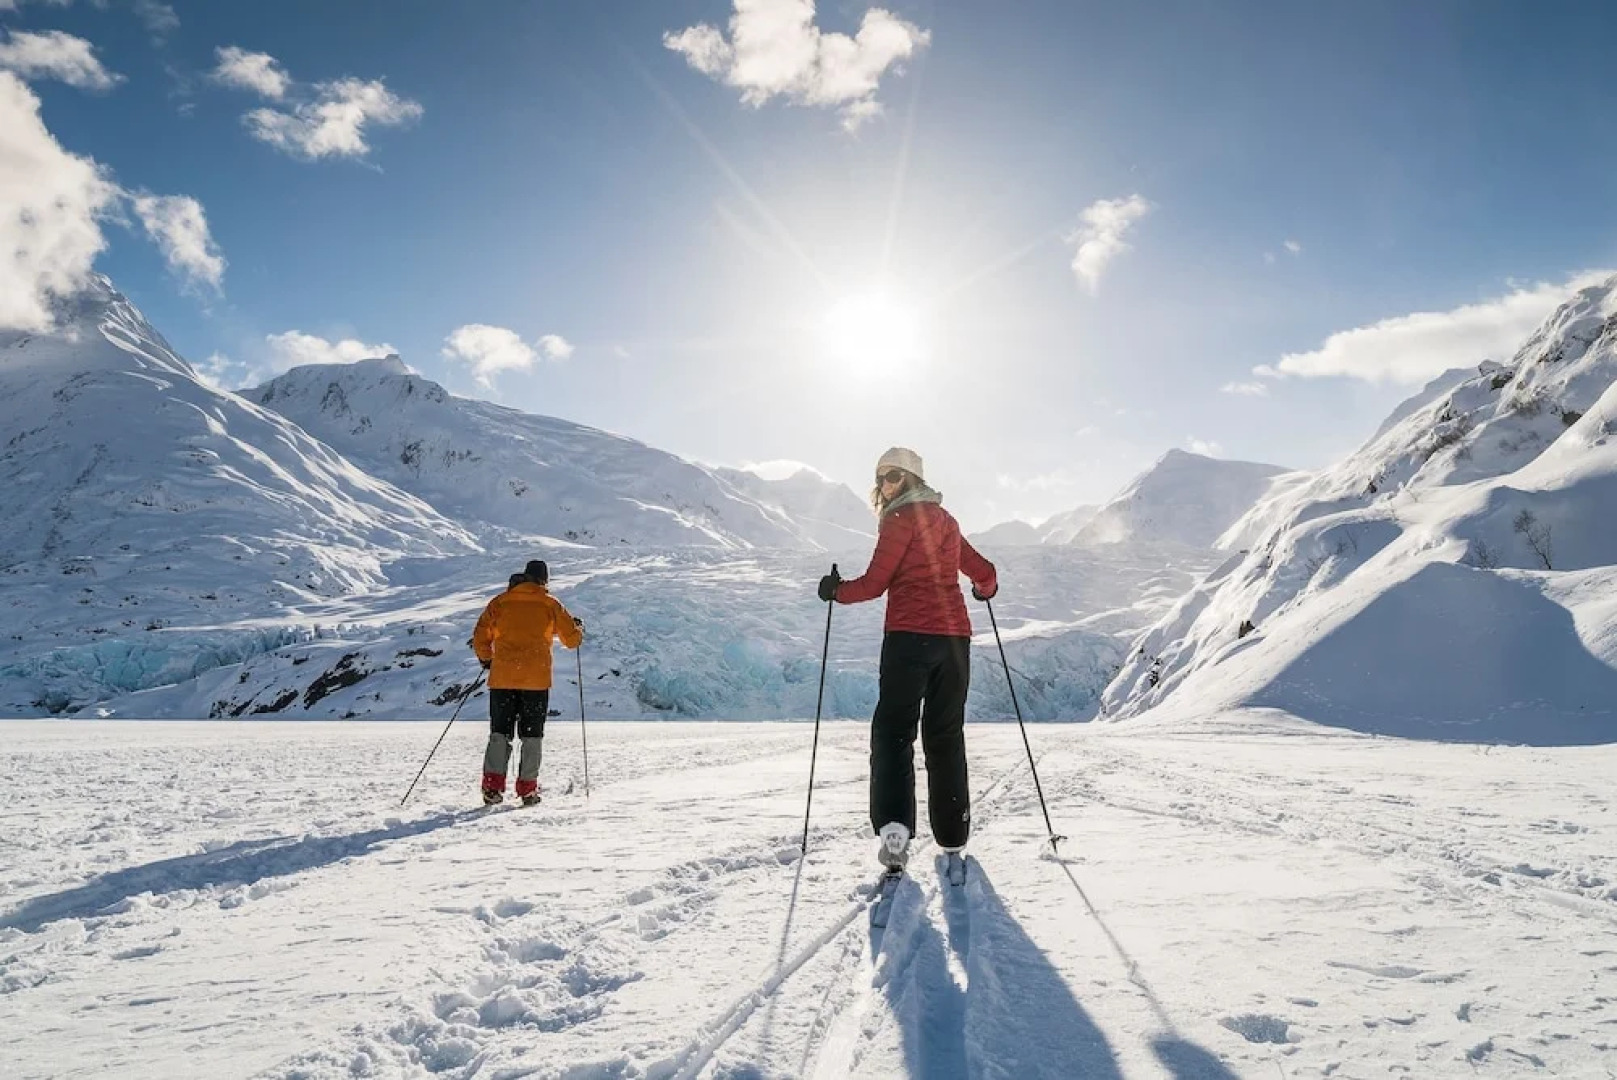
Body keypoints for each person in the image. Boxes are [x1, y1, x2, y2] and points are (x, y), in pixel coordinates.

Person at [819, 448, 997, 875]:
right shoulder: (947, 521)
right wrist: (984, 591)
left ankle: (895, 835)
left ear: (912, 479)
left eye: (893, 476)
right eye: (880, 477)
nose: (885, 484)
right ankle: (953, 836)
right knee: (945, 733)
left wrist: (835, 591)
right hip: (954, 642)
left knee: (893, 733)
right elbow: (984, 571)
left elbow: (876, 584)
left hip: (908, 640)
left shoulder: (898, 520)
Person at [471, 559, 583, 806]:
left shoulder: (500, 602)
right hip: (536, 681)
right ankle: (527, 790)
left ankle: (492, 788)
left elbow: (480, 635)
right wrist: (577, 628)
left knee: (500, 732)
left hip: (502, 680)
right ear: (544, 580)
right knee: (532, 736)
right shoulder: (550, 604)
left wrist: (488, 660)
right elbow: (571, 640)